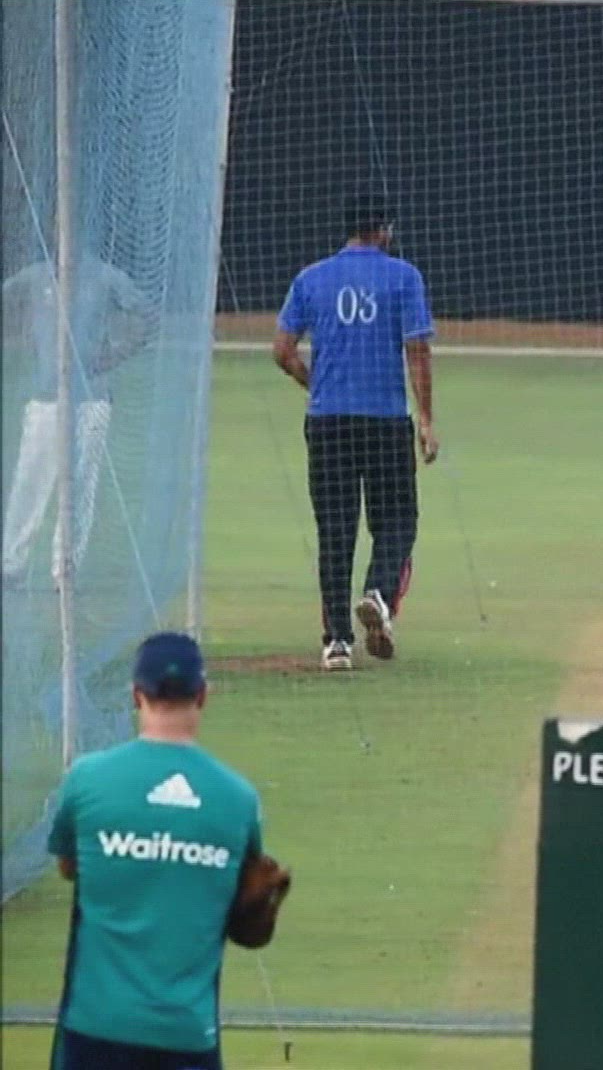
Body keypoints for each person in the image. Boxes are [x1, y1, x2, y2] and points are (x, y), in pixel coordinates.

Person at [47, 632, 289, 1070]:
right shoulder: (237, 799)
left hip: (94, 1026)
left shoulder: (86, 779)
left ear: (136, 694)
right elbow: (245, 902)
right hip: (186, 1033)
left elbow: (69, 865)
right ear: (203, 695)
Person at [274, 197, 437, 671]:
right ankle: (379, 594)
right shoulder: (404, 277)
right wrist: (426, 419)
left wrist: (316, 384)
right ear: (385, 230)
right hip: (385, 421)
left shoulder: (311, 278)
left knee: (335, 530)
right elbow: (417, 349)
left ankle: (337, 643)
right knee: (397, 521)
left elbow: (282, 350)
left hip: (329, 422)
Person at [2, 254, 156, 588]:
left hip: (92, 397)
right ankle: (11, 564)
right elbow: (8, 298)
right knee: (29, 481)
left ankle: (65, 568)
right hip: (46, 396)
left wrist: (114, 353)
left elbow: (146, 316)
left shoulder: (105, 276)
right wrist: (27, 334)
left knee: (81, 483)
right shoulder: (36, 275)